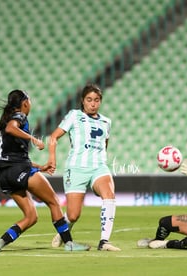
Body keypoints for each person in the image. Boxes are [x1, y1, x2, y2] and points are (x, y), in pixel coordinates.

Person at [0, 89, 90, 252]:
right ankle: (70, 244)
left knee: (31, 217)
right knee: (54, 202)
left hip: (5, 175)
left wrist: (40, 167)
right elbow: (11, 128)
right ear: (24, 103)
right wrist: (33, 139)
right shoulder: (19, 117)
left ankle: (0, 242)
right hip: (18, 170)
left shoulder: (6, 121)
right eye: (29, 100)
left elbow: (14, 156)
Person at [48, 83, 120, 251]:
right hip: (77, 168)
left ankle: (104, 242)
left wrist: (100, 160)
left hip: (99, 167)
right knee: (73, 215)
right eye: (89, 100)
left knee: (109, 195)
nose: (93, 103)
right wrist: (52, 158)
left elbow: (104, 144)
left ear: (100, 102)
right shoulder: (74, 115)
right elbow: (54, 136)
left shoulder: (106, 122)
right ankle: (63, 231)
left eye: (96, 100)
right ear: (83, 101)